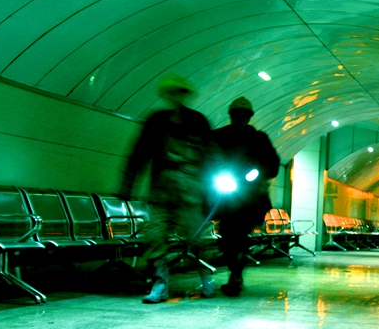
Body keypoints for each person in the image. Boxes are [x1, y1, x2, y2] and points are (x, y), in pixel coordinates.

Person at [120, 75, 214, 303]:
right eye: (172, 92)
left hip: (191, 189)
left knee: (196, 237)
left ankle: (206, 278)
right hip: (162, 190)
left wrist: (210, 191)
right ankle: (160, 285)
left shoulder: (198, 121)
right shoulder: (156, 120)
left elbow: (211, 156)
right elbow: (139, 154)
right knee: (154, 236)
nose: (176, 97)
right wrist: (126, 185)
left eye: (180, 92)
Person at [209, 97, 280, 297]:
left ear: (249, 117)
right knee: (226, 234)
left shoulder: (259, 138)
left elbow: (273, 164)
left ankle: (236, 273)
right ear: (231, 115)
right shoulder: (218, 136)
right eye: (237, 114)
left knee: (239, 233)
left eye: (244, 114)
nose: (240, 117)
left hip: (250, 196)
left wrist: (257, 173)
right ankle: (235, 269)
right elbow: (208, 158)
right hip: (225, 194)